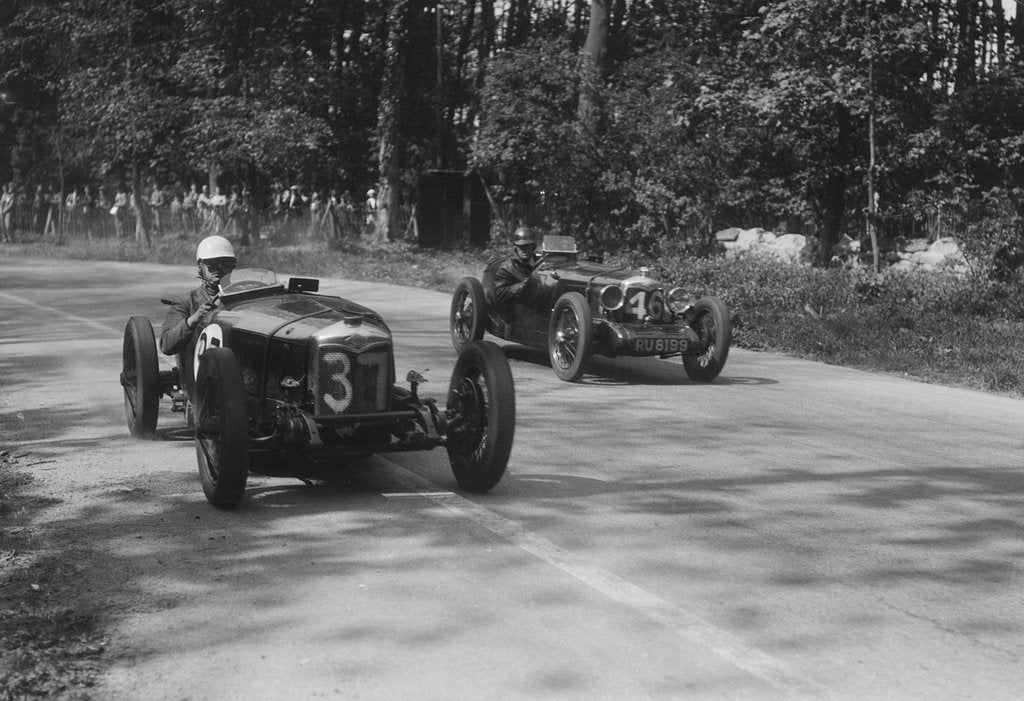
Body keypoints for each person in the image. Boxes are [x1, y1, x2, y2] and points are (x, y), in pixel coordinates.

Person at [159, 235, 237, 362]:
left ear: (233, 266)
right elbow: (166, 345)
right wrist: (194, 319)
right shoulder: (185, 302)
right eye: (212, 264)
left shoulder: (244, 296)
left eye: (226, 263)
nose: (220, 268)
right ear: (201, 267)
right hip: (201, 370)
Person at [493, 226, 539, 308]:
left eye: (528, 246)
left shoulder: (541, 263)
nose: (525, 249)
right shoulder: (506, 268)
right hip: (516, 308)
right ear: (515, 247)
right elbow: (500, 293)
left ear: (533, 247)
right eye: (521, 246)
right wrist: (523, 285)